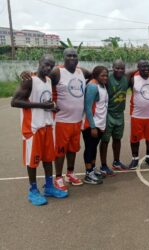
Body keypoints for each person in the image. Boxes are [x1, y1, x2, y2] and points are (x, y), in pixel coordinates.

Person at [11, 55, 68, 206]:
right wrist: (43, 106)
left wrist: (52, 107)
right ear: (39, 63)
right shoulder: (29, 79)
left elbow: (46, 101)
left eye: (51, 66)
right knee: (33, 161)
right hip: (33, 128)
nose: (48, 68)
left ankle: (49, 187)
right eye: (46, 64)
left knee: (48, 159)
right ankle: (33, 190)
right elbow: (15, 102)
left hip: (47, 125)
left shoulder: (48, 80)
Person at [47, 48, 91, 190]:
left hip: (77, 120)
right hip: (61, 121)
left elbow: (94, 74)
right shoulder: (57, 72)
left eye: (74, 55)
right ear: (64, 58)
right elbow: (41, 78)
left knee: (73, 149)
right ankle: (58, 178)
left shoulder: (81, 72)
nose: (72, 58)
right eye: (69, 56)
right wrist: (29, 74)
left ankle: (70, 174)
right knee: (60, 151)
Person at [99, 59, 130, 173]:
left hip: (120, 114)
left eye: (122, 68)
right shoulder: (107, 79)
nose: (119, 70)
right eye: (117, 68)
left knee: (117, 139)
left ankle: (116, 162)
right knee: (105, 140)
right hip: (108, 114)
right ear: (112, 67)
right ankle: (103, 165)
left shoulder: (126, 78)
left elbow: (138, 71)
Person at [129, 60, 149, 168]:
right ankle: (135, 159)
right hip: (137, 115)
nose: (146, 68)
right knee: (135, 139)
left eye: (147, 66)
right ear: (138, 68)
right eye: (142, 67)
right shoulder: (133, 78)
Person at [81, 66, 109, 184]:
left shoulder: (102, 85)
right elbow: (87, 107)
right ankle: (88, 173)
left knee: (93, 148)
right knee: (90, 148)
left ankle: (92, 169)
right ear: (96, 75)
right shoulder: (93, 86)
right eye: (102, 75)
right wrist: (92, 126)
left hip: (100, 123)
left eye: (106, 75)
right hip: (91, 124)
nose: (105, 77)